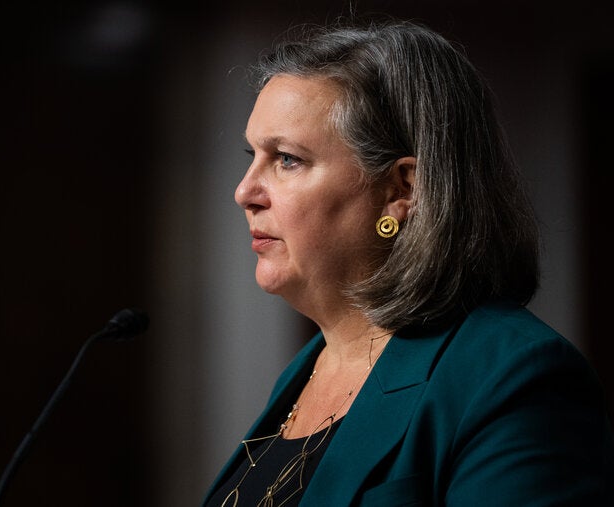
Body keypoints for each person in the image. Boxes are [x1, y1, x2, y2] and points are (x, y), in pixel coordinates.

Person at [202, 16, 614, 507]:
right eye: (252, 155)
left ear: (402, 189)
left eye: (287, 159)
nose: (244, 191)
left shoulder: (511, 376)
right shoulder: (304, 371)